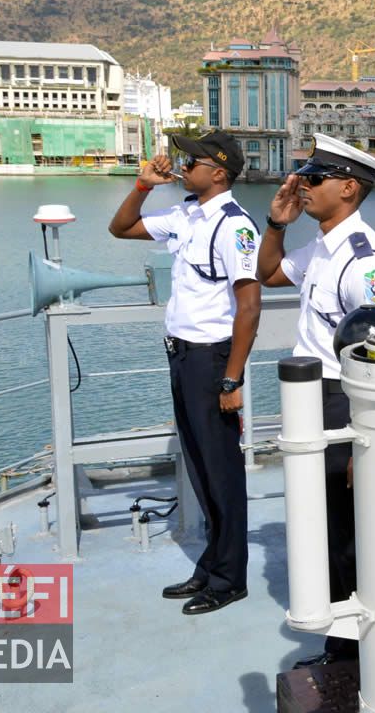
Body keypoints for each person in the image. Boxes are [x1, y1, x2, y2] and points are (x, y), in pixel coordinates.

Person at [256, 133, 375, 668]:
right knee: (321, 525)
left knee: (347, 532)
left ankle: (356, 654)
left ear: (348, 187)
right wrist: (277, 223)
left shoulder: (366, 262)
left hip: (345, 400)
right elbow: (267, 274)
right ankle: (340, 647)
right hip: (310, 398)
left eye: (314, 179)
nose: (303, 185)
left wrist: (365, 439)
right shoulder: (322, 245)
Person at [107, 131, 260, 615]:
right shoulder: (186, 214)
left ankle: (230, 577)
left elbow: (250, 306)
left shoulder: (235, 227)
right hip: (182, 355)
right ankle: (212, 562)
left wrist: (232, 379)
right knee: (198, 466)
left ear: (219, 172)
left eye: (190, 159)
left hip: (212, 359)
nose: (180, 164)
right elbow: (121, 229)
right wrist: (143, 186)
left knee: (222, 472)